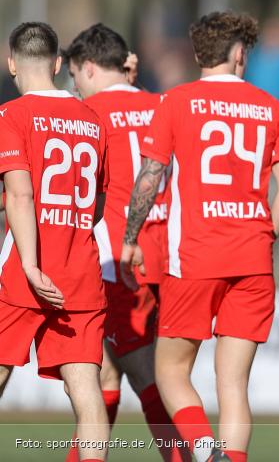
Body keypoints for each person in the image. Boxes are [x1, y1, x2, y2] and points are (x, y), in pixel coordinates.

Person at [121, 11, 279, 462]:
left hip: (196, 258)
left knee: (170, 370)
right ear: (240, 53)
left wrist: (130, 237)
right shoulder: (270, 107)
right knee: (233, 384)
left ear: (199, 53)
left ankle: (203, 450)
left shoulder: (177, 101)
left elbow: (150, 176)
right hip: (253, 262)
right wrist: (265, 234)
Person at [64, 23, 186, 462]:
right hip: (170, 253)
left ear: (90, 67)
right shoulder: (161, 102)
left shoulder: (90, 113)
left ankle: (187, 456)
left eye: (75, 75)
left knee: (143, 372)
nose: (74, 85)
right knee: (109, 374)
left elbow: (80, 187)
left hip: (119, 258)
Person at [0, 22, 110, 462]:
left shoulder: (12, 116)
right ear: (59, 63)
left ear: (12, 64)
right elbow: (98, 204)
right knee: (86, 389)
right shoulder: (92, 119)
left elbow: (21, 194)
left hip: (27, 271)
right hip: (81, 270)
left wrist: (29, 264)